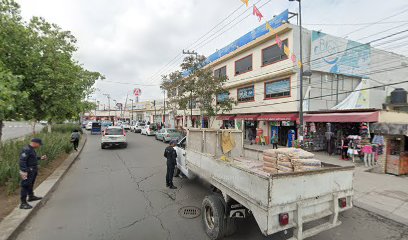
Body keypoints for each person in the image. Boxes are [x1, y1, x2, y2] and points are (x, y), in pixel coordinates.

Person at [19, 138, 47, 209]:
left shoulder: (31, 149)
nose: (39, 146)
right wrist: (24, 171)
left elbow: (32, 158)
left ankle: (31, 196)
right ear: (35, 143)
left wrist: (40, 158)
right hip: (28, 171)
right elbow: (22, 161)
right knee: (25, 185)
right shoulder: (27, 149)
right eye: (39, 144)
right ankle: (23, 203)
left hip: (33, 170)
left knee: (30, 184)